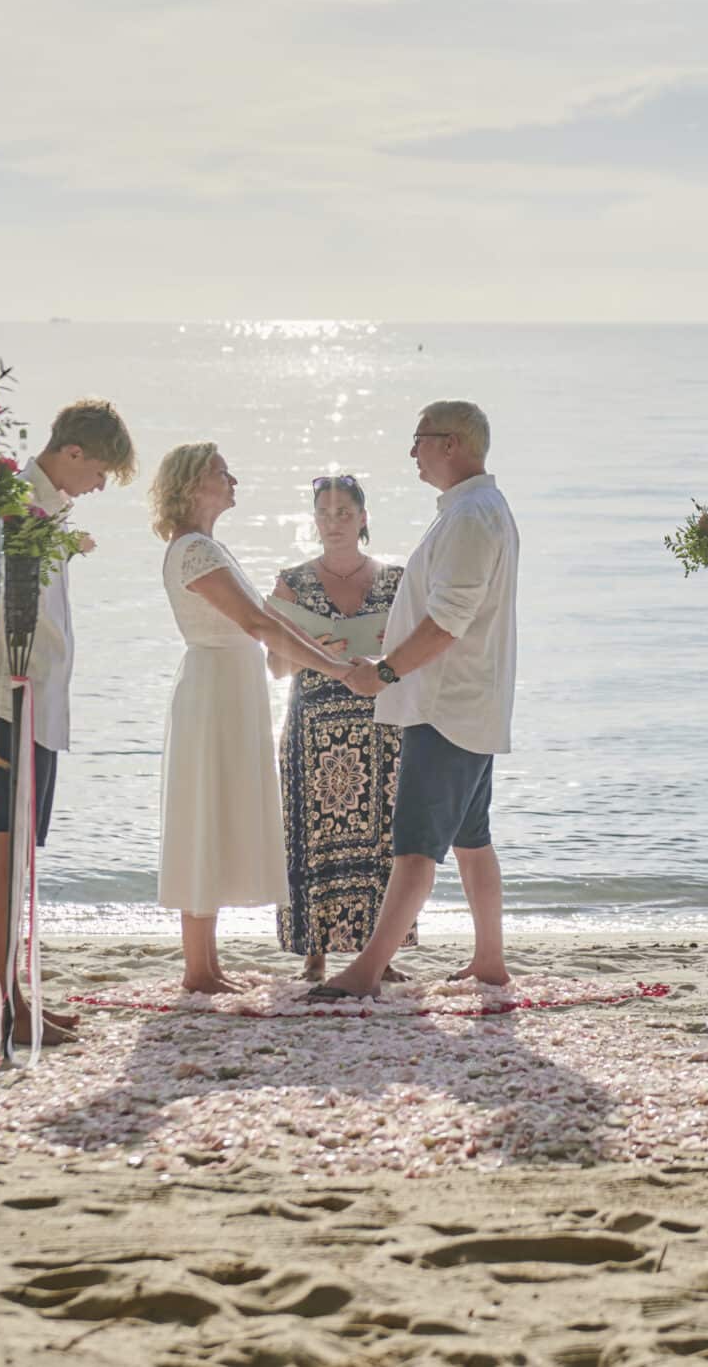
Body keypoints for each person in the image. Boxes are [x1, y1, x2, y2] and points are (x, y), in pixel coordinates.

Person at [315, 401, 519, 1000]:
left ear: (451, 444)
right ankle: (490, 960)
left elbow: (449, 621)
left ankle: (366, 970)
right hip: (464, 701)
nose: (412, 452)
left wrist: (385, 671)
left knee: (414, 847)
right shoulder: (474, 508)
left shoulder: (472, 516)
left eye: (419, 440)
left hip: (447, 706)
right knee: (472, 841)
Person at [152, 442, 358, 994]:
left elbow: (272, 620)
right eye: (223, 472)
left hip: (230, 691)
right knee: (204, 815)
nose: (233, 478)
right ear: (194, 484)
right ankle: (198, 969)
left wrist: (325, 650)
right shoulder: (195, 550)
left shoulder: (209, 547)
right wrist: (337, 671)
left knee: (217, 814)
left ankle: (209, 965)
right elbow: (258, 626)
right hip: (213, 694)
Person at [0, 398, 137, 1046]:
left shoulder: (47, 508)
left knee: (23, 860)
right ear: (72, 452)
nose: (101, 485)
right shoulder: (18, 504)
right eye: (101, 470)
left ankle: (18, 992)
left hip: (41, 704)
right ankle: (2, 1000)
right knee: (5, 854)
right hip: (7, 701)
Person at [268, 474, 408, 981]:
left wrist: (382, 657)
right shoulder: (293, 582)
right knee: (313, 837)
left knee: (382, 839)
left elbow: (414, 656)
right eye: (325, 514)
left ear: (363, 517)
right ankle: (315, 953)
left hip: (379, 724)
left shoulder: (395, 580)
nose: (334, 523)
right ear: (314, 520)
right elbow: (275, 668)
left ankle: (379, 953)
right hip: (313, 726)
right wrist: (311, 653)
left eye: (344, 513)